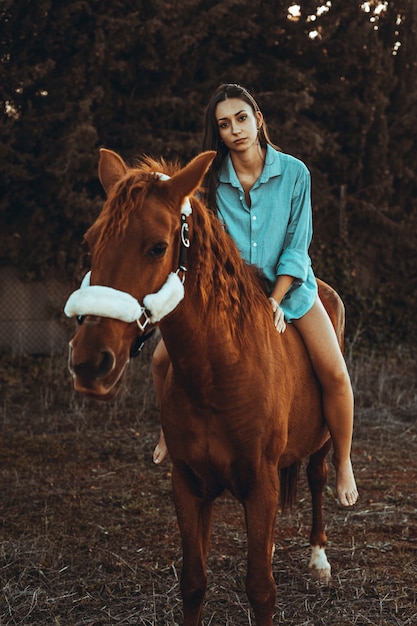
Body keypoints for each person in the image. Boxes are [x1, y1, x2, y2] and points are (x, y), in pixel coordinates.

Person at [152, 83, 358, 507]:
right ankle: (169, 431)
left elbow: (297, 246)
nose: (235, 130)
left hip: (292, 289)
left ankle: (343, 461)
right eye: (224, 125)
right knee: (159, 359)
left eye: (241, 118)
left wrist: (277, 300)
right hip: (226, 297)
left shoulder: (295, 173)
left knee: (335, 374)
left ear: (258, 118)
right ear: (218, 133)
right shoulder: (209, 182)